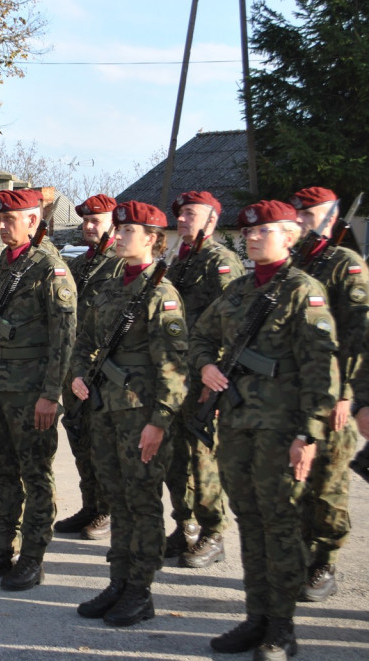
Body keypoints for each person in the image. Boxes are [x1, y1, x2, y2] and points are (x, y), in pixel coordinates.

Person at [191, 199, 338, 658]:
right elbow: (199, 335)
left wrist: (307, 435)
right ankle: (255, 617)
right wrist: (205, 368)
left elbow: (321, 368)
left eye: (266, 231)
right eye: (250, 232)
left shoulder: (302, 291)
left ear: (290, 236)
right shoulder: (236, 291)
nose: (254, 237)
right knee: (250, 522)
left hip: (282, 429)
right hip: (236, 424)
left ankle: (282, 626)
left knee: (281, 524)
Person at [69, 200, 188, 627]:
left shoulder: (162, 295)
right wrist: (79, 374)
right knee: (117, 500)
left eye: (128, 231)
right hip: (105, 411)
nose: (117, 237)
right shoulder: (111, 285)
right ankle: (118, 581)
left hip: (141, 418)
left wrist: (160, 422)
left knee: (142, 504)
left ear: (153, 240)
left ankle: (141, 590)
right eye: (117, 230)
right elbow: (84, 341)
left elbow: (174, 368)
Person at [0, 188, 76, 590]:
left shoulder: (49, 269)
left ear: (33, 221)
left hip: (32, 393)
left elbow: (64, 338)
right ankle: (3, 546)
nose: (4, 226)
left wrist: (51, 395)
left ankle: (33, 556)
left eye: (12, 219)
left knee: (36, 474)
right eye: (1, 220)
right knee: (5, 473)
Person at [290, 186, 367, 601]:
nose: (302, 218)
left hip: (334, 389)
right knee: (298, 482)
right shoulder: (297, 261)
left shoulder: (345, 264)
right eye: (298, 212)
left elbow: (356, 338)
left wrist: (346, 396)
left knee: (329, 485)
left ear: (332, 217)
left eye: (311, 213)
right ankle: (302, 554)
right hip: (295, 390)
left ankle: (325, 562)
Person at [163, 190, 244, 567]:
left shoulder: (220, 262)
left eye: (191, 214)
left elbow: (236, 328)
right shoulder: (180, 261)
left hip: (204, 379)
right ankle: (186, 525)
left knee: (202, 459)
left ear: (212, 219)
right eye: (180, 214)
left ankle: (213, 533)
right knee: (174, 457)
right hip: (174, 375)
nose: (182, 219)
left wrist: (218, 379)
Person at [55, 193, 124, 539]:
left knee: (102, 442)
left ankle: (107, 509)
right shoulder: (81, 265)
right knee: (80, 436)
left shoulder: (121, 265)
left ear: (115, 222)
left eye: (96, 220)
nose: (88, 226)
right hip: (74, 365)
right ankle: (90, 505)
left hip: (103, 371)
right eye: (85, 220)